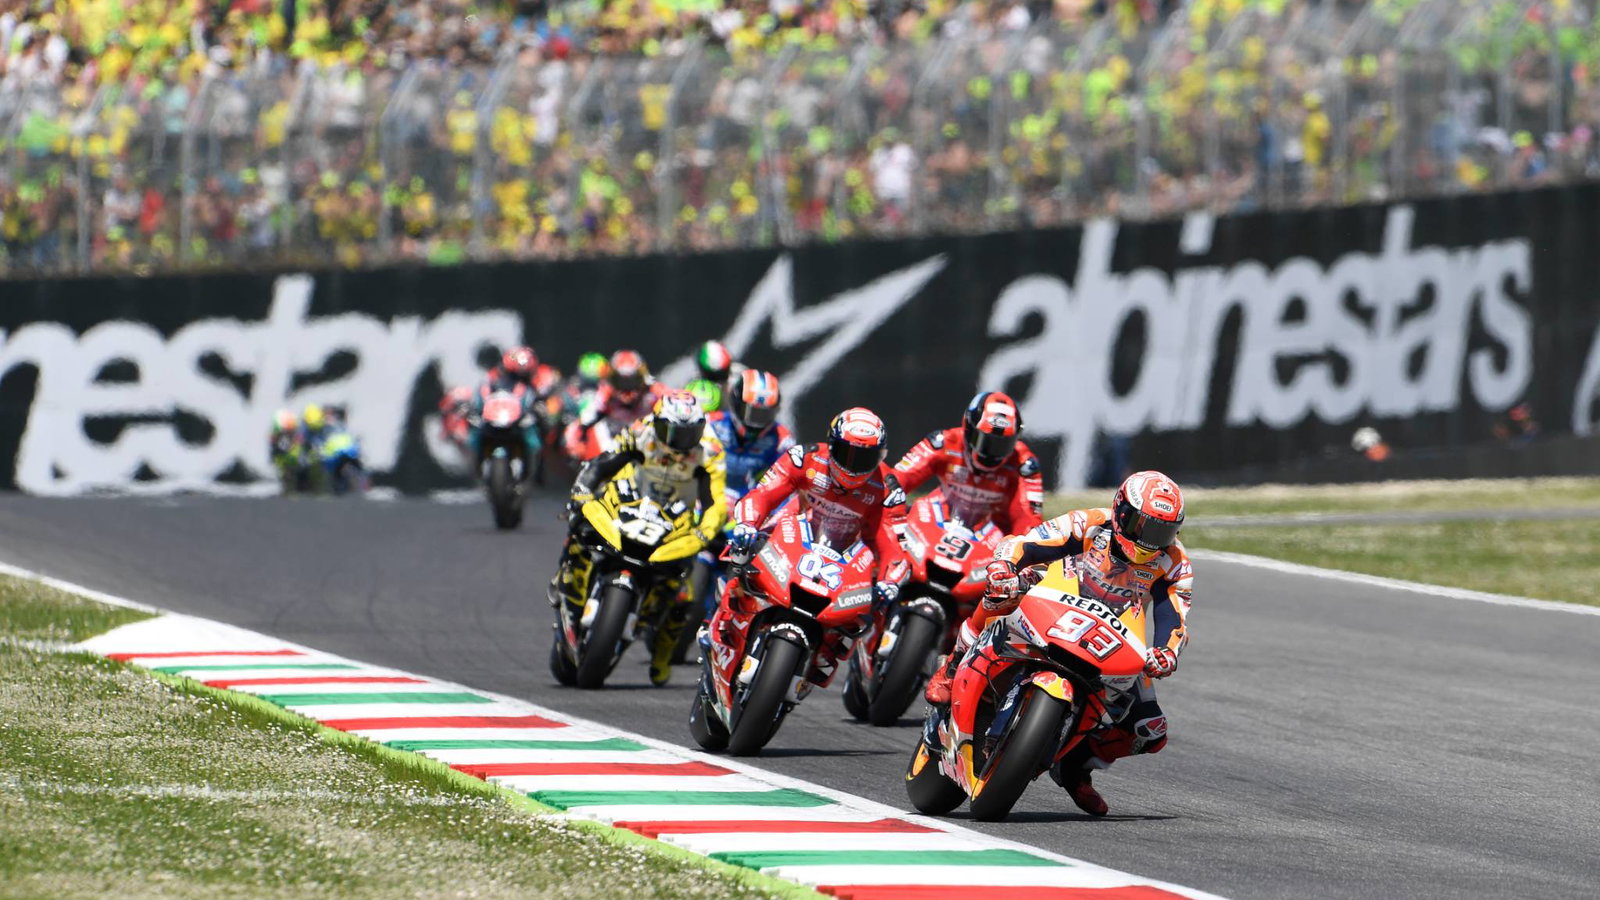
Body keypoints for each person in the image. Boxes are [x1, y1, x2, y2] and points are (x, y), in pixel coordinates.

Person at [924, 470, 1194, 817]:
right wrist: (1005, 566)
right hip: (1053, 596)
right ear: (1121, 512)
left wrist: (1166, 652)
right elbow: (1027, 543)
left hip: (1112, 634)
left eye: (1162, 532)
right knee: (1001, 592)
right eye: (1144, 527)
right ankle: (952, 666)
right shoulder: (1090, 524)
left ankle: (1074, 766)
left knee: (1150, 730)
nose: (1151, 541)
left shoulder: (1174, 562)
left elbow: (1174, 616)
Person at [725, 407, 912, 684]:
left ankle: (826, 652)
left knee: (870, 608)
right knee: (742, 552)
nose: (854, 465)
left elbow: (894, 546)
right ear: (832, 445)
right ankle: (725, 621)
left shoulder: (888, 489)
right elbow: (762, 495)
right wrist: (747, 523)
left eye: (865, 458)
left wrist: (890, 580)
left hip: (847, 553)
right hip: (794, 531)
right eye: (847, 454)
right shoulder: (804, 458)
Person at [559, 390, 729, 686]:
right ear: (657, 422)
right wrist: (583, 490)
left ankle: (662, 655)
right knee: (579, 529)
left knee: (685, 593)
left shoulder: (710, 453)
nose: (678, 441)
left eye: (687, 433)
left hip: (673, 520)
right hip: (627, 503)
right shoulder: (641, 432)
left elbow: (716, 502)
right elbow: (602, 463)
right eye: (671, 431)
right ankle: (567, 590)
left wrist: (705, 531)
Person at [892, 390, 1044, 534]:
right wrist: (896, 519)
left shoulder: (1024, 464)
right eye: (984, 441)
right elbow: (894, 483)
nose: (992, 453)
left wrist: (1016, 548)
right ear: (968, 429)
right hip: (939, 525)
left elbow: (1029, 520)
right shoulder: (943, 443)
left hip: (992, 540)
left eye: (1002, 445)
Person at [564, 349, 662, 458]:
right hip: (614, 450)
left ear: (642, 379)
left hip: (650, 449)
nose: (627, 391)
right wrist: (576, 444)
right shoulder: (605, 395)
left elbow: (674, 403)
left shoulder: (655, 392)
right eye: (620, 382)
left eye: (632, 382)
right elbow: (584, 421)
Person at [684, 339, 735, 414]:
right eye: (713, 377)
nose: (718, 381)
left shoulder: (738, 379)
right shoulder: (693, 382)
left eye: (721, 375)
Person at [269, 409, 307, 493]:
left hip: (295, 463)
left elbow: (300, 448)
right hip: (284, 462)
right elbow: (274, 452)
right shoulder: (276, 436)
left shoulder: (296, 435)